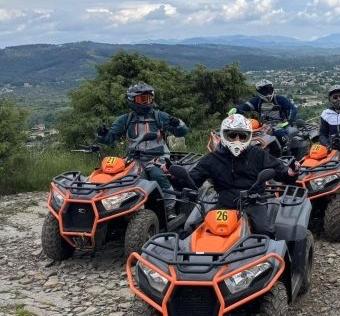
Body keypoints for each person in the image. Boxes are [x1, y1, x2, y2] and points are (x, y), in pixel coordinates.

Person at [96, 82, 188, 220]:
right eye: (142, 99)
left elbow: (182, 132)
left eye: (149, 98)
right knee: (123, 179)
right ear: (132, 100)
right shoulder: (125, 120)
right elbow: (109, 138)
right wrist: (102, 134)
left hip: (158, 156)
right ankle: (119, 209)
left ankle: (170, 208)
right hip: (134, 158)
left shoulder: (159, 116)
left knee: (157, 175)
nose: (146, 102)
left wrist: (177, 124)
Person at [188, 114, 300, 209]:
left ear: (248, 137)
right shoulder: (213, 158)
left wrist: (290, 172)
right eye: (232, 135)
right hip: (225, 206)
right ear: (224, 135)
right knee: (196, 225)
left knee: (263, 227)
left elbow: (279, 170)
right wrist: (180, 181)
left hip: (254, 203)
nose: (237, 140)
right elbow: (193, 179)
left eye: (242, 136)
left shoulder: (257, 154)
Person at [231, 79, 298, 144]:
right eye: (264, 91)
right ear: (259, 92)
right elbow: (245, 106)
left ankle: (286, 150)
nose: (267, 93)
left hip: (280, 125)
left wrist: (288, 122)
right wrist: (236, 109)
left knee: (280, 135)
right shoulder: (256, 101)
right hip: (263, 126)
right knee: (247, 135)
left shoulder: (280, 99)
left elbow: (293, 109)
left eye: (269, 90)